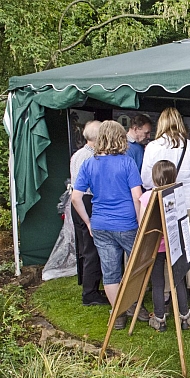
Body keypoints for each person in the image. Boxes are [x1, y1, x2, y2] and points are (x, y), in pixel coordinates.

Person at [71, 120, 144, 330]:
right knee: (136, 268)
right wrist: (141, 224)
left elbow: (76, 198)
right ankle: (134, 306)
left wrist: (88, 221)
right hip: (127, 223)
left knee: (110, 272)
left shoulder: (88, 163)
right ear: (119, 139)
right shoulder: (127, 162)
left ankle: (118, 312)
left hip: (100, 224)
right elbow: (137, 196)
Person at [141, 107, 190, 310]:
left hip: (165, 205)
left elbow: (146, 180)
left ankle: (167, 293)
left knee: (169, 250)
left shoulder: (152, 148)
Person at [139, 160, 190, 332]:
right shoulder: (177, 195)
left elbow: (143, 223)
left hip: (155, 246)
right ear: (173, 176)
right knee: (178, 279)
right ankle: (185, 315)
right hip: (174, 244)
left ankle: (159, 318)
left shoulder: (147, 197)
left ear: (154, 177)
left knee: (157, 282)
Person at [69, 120, 108, 306]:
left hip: (77, 202)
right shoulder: (91, 158)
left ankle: (88, 286)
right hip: (86, 201)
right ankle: (90, 294)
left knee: (85, 247)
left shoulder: (78, 154)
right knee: (92, 250)